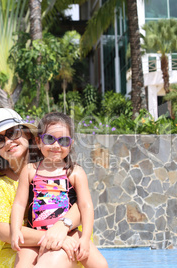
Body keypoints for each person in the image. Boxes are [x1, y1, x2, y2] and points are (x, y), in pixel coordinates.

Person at [0, 108, 85, 268]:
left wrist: (62, 227)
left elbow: (81, 204)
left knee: (58, 256)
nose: (8, 142)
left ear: (27, 134)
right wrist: (55, 237)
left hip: (65, 236)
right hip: (15, 249)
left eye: (13, 132)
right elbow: (4, 232)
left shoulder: (52, 162)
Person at [10, 112, 108, 268]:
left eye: (63, 140)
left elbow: (86, 206)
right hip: (36, 235)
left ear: (70, 143)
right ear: (38, 141)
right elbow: (19, 204)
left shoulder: (74, 172)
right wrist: (15, 231)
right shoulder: (30, 171)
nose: (56, 145)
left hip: (69, 232)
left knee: (101, 265)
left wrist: (85, 238)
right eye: (49, 139)